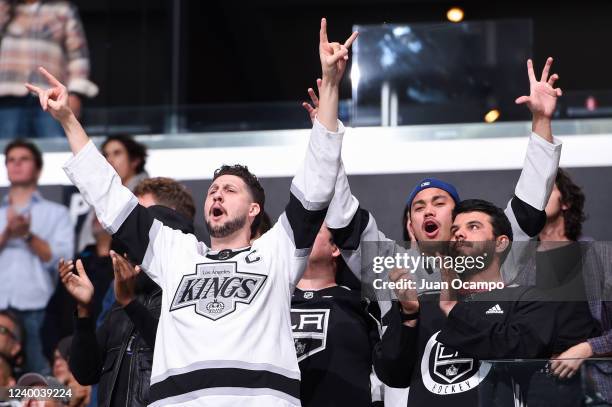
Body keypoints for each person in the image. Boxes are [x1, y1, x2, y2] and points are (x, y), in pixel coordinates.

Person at [28, 17, 356, 406]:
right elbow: (111, 197)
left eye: (229, 190)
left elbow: (316, 186)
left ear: (254, 209)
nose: (217, 195)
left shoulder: (277, 252)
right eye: (213, 190)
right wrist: (68, 119)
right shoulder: (177, 254)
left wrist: (331, 84)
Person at [304, 57, 565, 405]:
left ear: (458, 218)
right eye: (418, 206)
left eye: (439, 202)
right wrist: (326, 132)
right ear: (410, 226)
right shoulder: (388, 267)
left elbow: (531, 202)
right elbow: (342, 216)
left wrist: (542, 120)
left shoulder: (492, 256)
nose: (428, 209)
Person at [0, 140, 74, 375]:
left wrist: (27, 235)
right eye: (11, 160)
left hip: (38, 309)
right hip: (0, 308)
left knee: (41, 380)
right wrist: (7, 234)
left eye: (23, 159)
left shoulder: (57, 213)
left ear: (38, 169)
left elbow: (63, 260)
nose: (16, 164)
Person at [291, 224, 382, 407]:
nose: (300, 235)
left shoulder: (364, 304)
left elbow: (385, 370)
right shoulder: (270, 300)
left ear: (335, 248)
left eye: (312, 229)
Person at [0, 0, 97, 138]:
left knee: (57, 148)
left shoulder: (62, 9)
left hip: (50, 95)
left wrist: (75, 93)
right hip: (8, 96)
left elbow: (77, 54)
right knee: (8, 152)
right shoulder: (5, 7)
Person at [76, 135, 149, 254]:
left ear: (135, 160)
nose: (110, 160)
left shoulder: (148, 193)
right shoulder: (101, 193)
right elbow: (86, 241)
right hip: (98, 263)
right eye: (106, 155)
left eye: (117, 153)